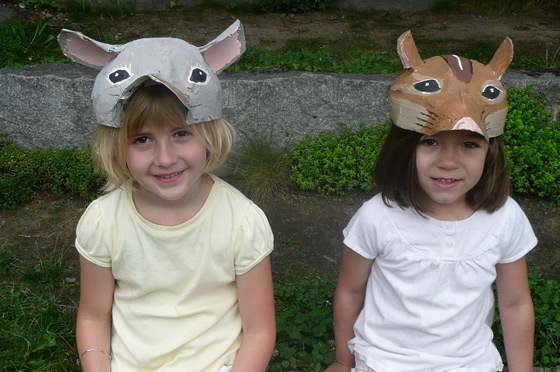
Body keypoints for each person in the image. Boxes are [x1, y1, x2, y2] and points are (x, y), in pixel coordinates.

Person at [59, 22, 276, 372]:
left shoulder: (242, 221)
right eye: (142, 139)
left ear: (209, 135)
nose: (164, 158)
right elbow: (93, 317)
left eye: (180, 134)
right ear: (118, 148)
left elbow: (260, 331)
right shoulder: (103, 221)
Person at [325, 31, 536, 372]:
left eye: (469, 145)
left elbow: (514, 303)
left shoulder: (505, 218)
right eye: (431, 143)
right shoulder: (378, 216)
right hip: (384, 362)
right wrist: (341, 360)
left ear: (490, 152)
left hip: (471, 364)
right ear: (404, 146)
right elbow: (350, 291)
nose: (448, 162)